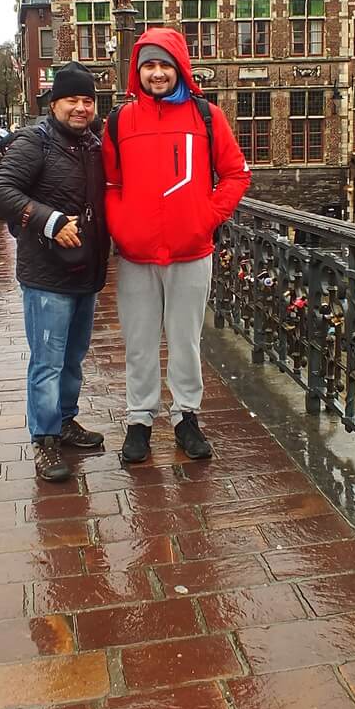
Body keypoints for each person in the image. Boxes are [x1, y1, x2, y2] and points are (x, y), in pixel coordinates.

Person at [102, 28, 250, 463]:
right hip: (137, 254)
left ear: (179, 68)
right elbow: (110, 183)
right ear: (138, 71)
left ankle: (186, 416)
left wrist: (206, 217)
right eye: (148, 65)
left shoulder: (207, 116)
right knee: (140, 341)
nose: (157, 73)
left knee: (186, 340)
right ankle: (139, 420)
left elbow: (236, 173)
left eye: (165, 65)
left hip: (190, 252)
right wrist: (122, 227)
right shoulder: (120, 121)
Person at [0, 63, 109, 482]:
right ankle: (44, 438)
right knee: (48, 361)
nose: (81, 108)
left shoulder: (93, 143)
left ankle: (65, 421)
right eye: (72, 100)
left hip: (84, 270)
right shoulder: (33, 141)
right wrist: (50, 221)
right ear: (53, 103)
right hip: (46, 273)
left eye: (87, 100)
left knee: (73, 358)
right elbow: (0, 191)